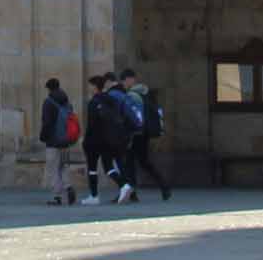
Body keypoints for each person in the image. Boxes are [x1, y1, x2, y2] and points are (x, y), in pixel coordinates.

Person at [118, 69, 171, 201]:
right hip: (144, 133)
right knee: (143, 162)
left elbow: (133, 115)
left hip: (136, 133)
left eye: (124, 81)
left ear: (128, 80)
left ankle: (132, 192)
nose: (124, 85)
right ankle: (163, 185)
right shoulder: (145, 93)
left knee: (129, 162)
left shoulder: (132, 95)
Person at [80, 73, 131, 205]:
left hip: (94, 141)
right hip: (109, 139)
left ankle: (94, 196)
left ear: (95, 87)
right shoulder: (110, 99)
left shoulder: (93, 102)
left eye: (91, 86)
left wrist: (86, 141)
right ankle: (124, 185)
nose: (89, 88)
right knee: (108, 167)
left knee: (92, 169)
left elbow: (91, 125)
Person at [38, 78, 79, 205]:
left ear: (49, 88)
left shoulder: (48, 102)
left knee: (53, 169)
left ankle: (58, 196)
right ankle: (69, 187)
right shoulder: (66, 101)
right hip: (65, 141)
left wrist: (43, 137)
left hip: (53, 142)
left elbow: (47, 123)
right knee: (64, 167)